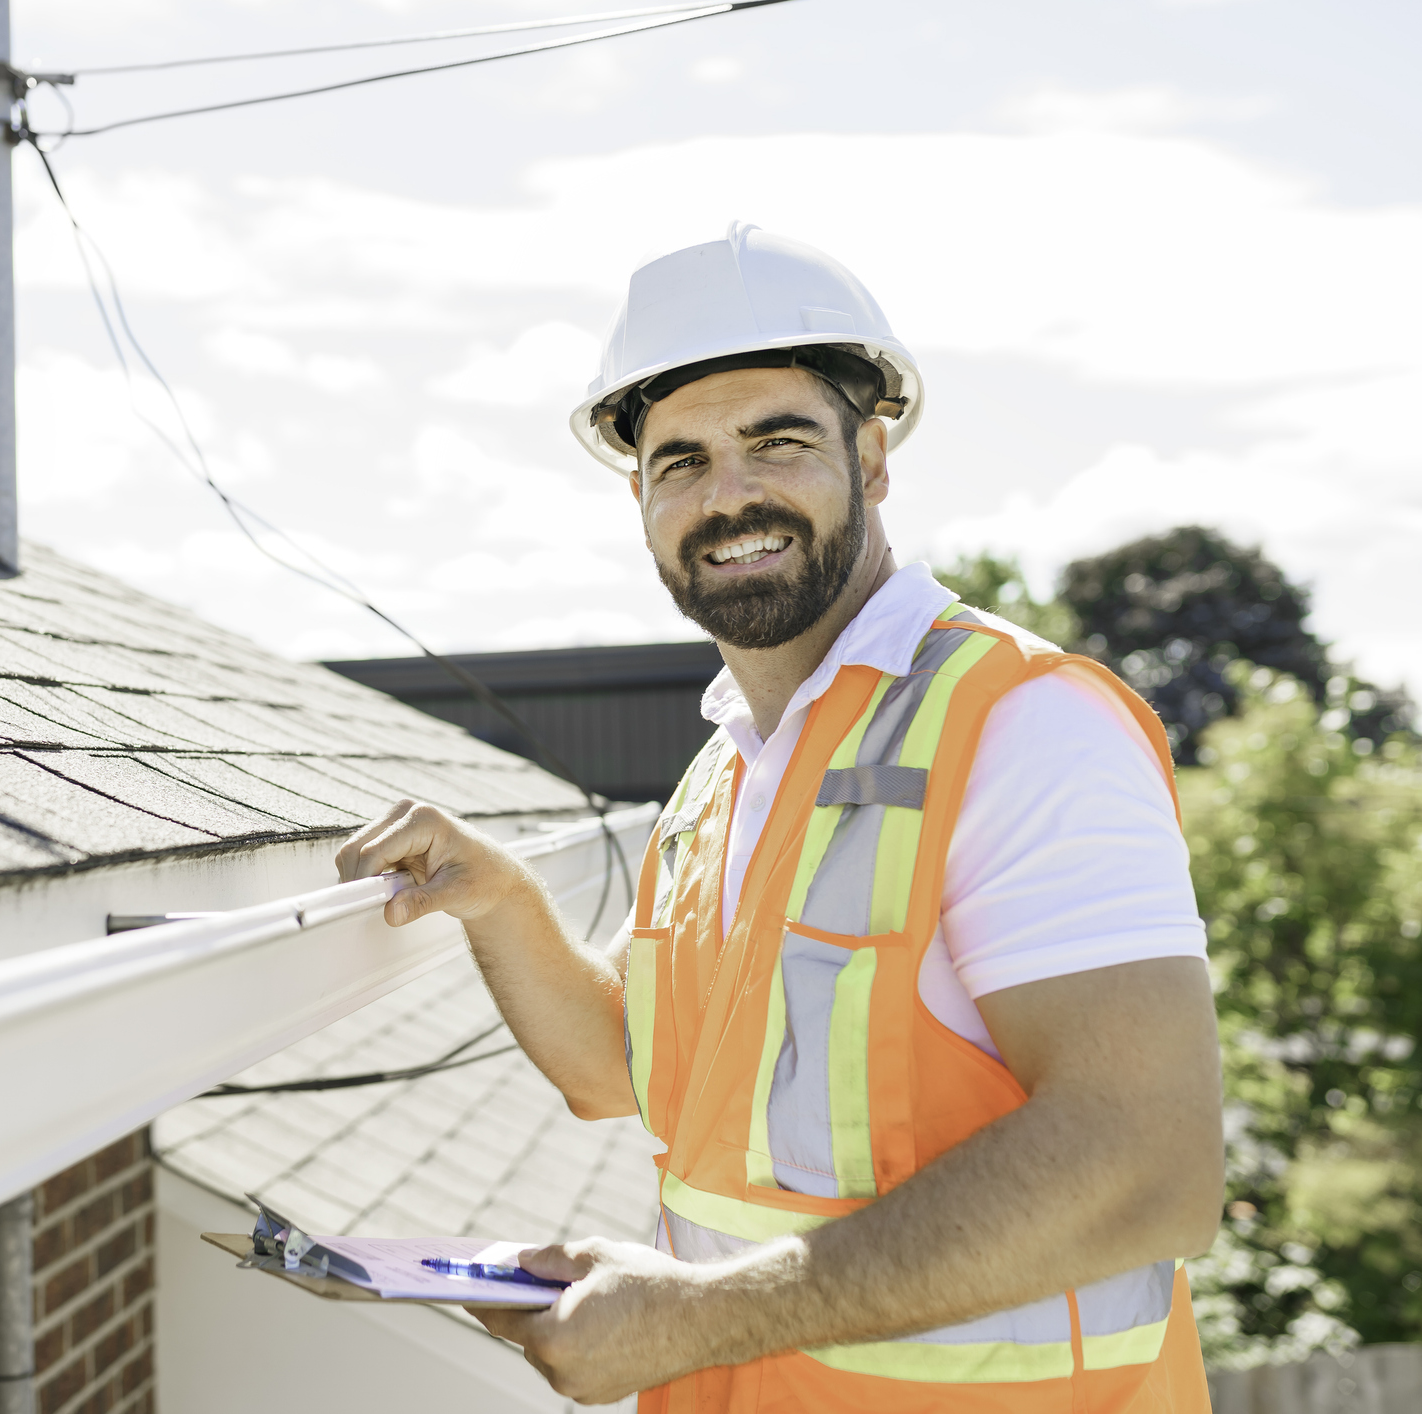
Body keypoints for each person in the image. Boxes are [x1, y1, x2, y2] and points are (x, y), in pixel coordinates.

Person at [335, 225, 1222, 1412]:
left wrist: (696, 1314)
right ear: (641, 499)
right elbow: (627, 1073)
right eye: (680, 461)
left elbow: (1146, 1166)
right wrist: (500, 900)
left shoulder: (1023, 726)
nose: (729, 493)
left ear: (874, 454)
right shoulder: (726, 775)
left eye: (778, 442)